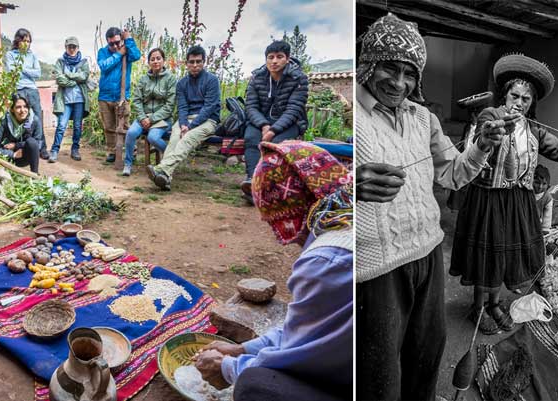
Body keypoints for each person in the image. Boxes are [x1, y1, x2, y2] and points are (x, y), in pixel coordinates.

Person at [354, 14, 503, 401]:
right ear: (368, 63)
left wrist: (482, 145)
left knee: (426, 355)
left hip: (428, 254)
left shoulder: (424, 119)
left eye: (409, 73)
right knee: (378, 371)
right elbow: (315, 190)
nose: (399, 83)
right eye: (389, 67)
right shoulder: (347, 114)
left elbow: (453, 174)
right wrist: (349, 185)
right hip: (375, 270)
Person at [449, 53, 558, 335]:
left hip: (517, 201)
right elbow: (483, 133)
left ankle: (494, 304)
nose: (518, 103)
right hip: (488, 200)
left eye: (525, 99)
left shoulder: (535, 130)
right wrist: (491, 131)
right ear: (504, 96)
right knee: (487, 255)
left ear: (532, 103)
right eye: (514, 96)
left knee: (504, 255)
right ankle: (478, 308)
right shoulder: (491, 116)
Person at [193, 141, 352, 401]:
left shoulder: (327, 260)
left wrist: (227, 368)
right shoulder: (347, 216)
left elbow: (301, 355)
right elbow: (305, 330)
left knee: (255, 384)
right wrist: (242, 349)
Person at [241, 41, 310, 204]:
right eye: (270, 57)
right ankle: (252, 180)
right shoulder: (257, 77)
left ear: (287, 59)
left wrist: (273, 131)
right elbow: (251, 106)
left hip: (288, 122)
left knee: (277, 145)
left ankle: (266, 186)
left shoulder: (298, 78)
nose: (274, 61)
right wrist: (264, 125)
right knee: (251, 138)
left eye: (279, 57)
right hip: (261, 121)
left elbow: (294, 109)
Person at [148, 45, 220, 190]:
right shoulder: (182, 83)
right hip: (186, 120)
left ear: (204, 62)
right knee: (174, 139)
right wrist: (183, 124)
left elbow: (209, 108)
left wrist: (190, 127)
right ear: (186, 63)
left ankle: (162, 169)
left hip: (207, 120)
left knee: (186, 139)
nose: (195, 65)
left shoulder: (212, 80)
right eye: (191, 62)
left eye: (198, 62)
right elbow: (182, 107)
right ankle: (166, 178)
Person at [122, 48, 177, 176]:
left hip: (162, 119)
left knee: (153, 137)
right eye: (152, 59)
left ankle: (171, 158)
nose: (155, 61)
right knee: (131, 133)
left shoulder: (170, 79)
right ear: (149, 62)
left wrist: (151, 119)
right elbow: (136, 100)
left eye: (158, 58)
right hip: (143, 117)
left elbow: (170, 105)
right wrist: (142, 118)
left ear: (164, 61)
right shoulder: (143, 79)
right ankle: (128, 163)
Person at [97, 27, 142, 164]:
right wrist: (118, 54)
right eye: (112, 44)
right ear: (107, 42)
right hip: (105, 96)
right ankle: (112, 152)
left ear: (121, 39)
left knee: (125, 126)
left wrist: (128, 39)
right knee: (109, 127)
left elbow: (137, 56)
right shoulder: (103, 52)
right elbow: (104, 66)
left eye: (118, 42)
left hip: (122, 97)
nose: (115, 46)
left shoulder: (127, 50)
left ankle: (131, 151)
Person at [5, 28, 48, 160]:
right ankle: (22, 147)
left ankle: (42, 147)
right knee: (20, 120)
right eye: (24, 41)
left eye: (29, 41)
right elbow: (12, 72)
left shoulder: (33, 56)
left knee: (36, 119)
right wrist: (28, 70)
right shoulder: (10, 55)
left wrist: (21, 67)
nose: (27, 44)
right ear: (18, 41)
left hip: (32, 91)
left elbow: (38, 73)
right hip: (18, 90)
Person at [49, 36, 90, 163]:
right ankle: (54, 150)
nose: (72, 49)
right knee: (61, 125)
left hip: (79, 100)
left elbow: (84, 76)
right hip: (65, 100)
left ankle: (75, 149)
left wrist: (69, 75)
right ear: (66, 47)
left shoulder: (84, 62)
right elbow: (59, 78)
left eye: (74, 47)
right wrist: (73, 82)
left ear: (78, 48)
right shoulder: (60, 62)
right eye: (69, 46)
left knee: (77, 126)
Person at [0, 94, 43, 174]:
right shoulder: (4, 121)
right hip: (6, 157)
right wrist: (13, 154)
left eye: (25, 106)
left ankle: (34, 175)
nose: (23, 110)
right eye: (18, 107)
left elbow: (38, 144)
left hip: (25, 156)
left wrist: (17, 145)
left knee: (32, 142)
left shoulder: (34, 120)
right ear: (12, 109)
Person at [534, 165, 553, 233]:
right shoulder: (526, 193)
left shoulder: (547, 198)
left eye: (544, 184)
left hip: (535, 224)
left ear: (548, 185)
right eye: (537, 182)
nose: (540, 187)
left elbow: (547, 215)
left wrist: (545, 229)